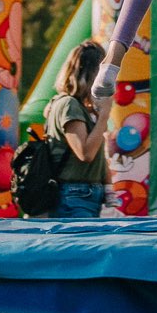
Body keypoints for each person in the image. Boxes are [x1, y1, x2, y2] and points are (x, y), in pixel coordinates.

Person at [44, 41, 111, 218]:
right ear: (90, 74)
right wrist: (104, 117)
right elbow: (86, 153)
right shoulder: (69, 105)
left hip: (82, 194)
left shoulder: (73, 105)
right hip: (75, 195)